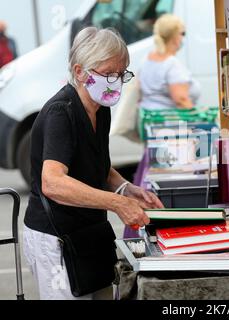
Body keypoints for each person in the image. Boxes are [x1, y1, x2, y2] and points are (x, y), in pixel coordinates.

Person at [23, 27, 164, 300]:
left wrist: (126, 189)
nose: (117, 81)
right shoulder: (61, 113)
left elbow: (96, 164)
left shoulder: (101, 109)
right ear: (80, 72)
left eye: (122, 74)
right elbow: (52, 182)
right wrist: (117, 203)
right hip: (56, 238)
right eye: (110, 74)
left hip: (89, 232)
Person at [137, 14, 201, 113]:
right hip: (168, 122)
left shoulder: (146, 58)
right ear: (175, 37)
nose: (183, 38)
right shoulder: (171, 64)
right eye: (182, 33)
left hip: (149, 118)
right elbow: (181, 100)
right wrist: (197, 117)